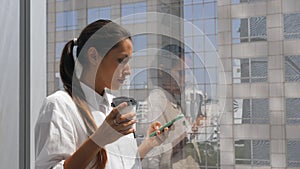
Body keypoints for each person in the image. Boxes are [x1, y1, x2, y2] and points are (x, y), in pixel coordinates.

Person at [35, 19, 169, 169]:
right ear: (93, 56)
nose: (128, 71)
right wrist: (98, 139)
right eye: (121, 60)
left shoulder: (115, 107)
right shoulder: (59, 105)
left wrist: (148, 145)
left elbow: (120, 164)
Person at [140, 44, 202, 169]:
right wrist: (188, 135)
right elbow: (152, 157)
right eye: (181, 73)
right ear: (162, 71)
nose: (186, 79)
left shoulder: (172, 100)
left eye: (188, 73)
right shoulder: (156, 103)